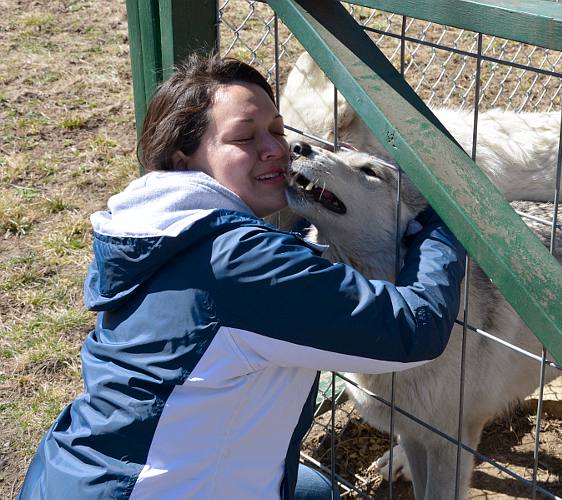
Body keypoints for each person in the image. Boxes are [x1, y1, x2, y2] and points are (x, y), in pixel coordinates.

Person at [19, 54, 466, 499]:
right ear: (184, 156)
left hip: (70, 474)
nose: (277, 149)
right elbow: (414, 331)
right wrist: (447, 221)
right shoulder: (240, 262)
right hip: (135, 491)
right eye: (244, 137)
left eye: (276, 130)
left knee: (309, 489)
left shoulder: (155, 226)